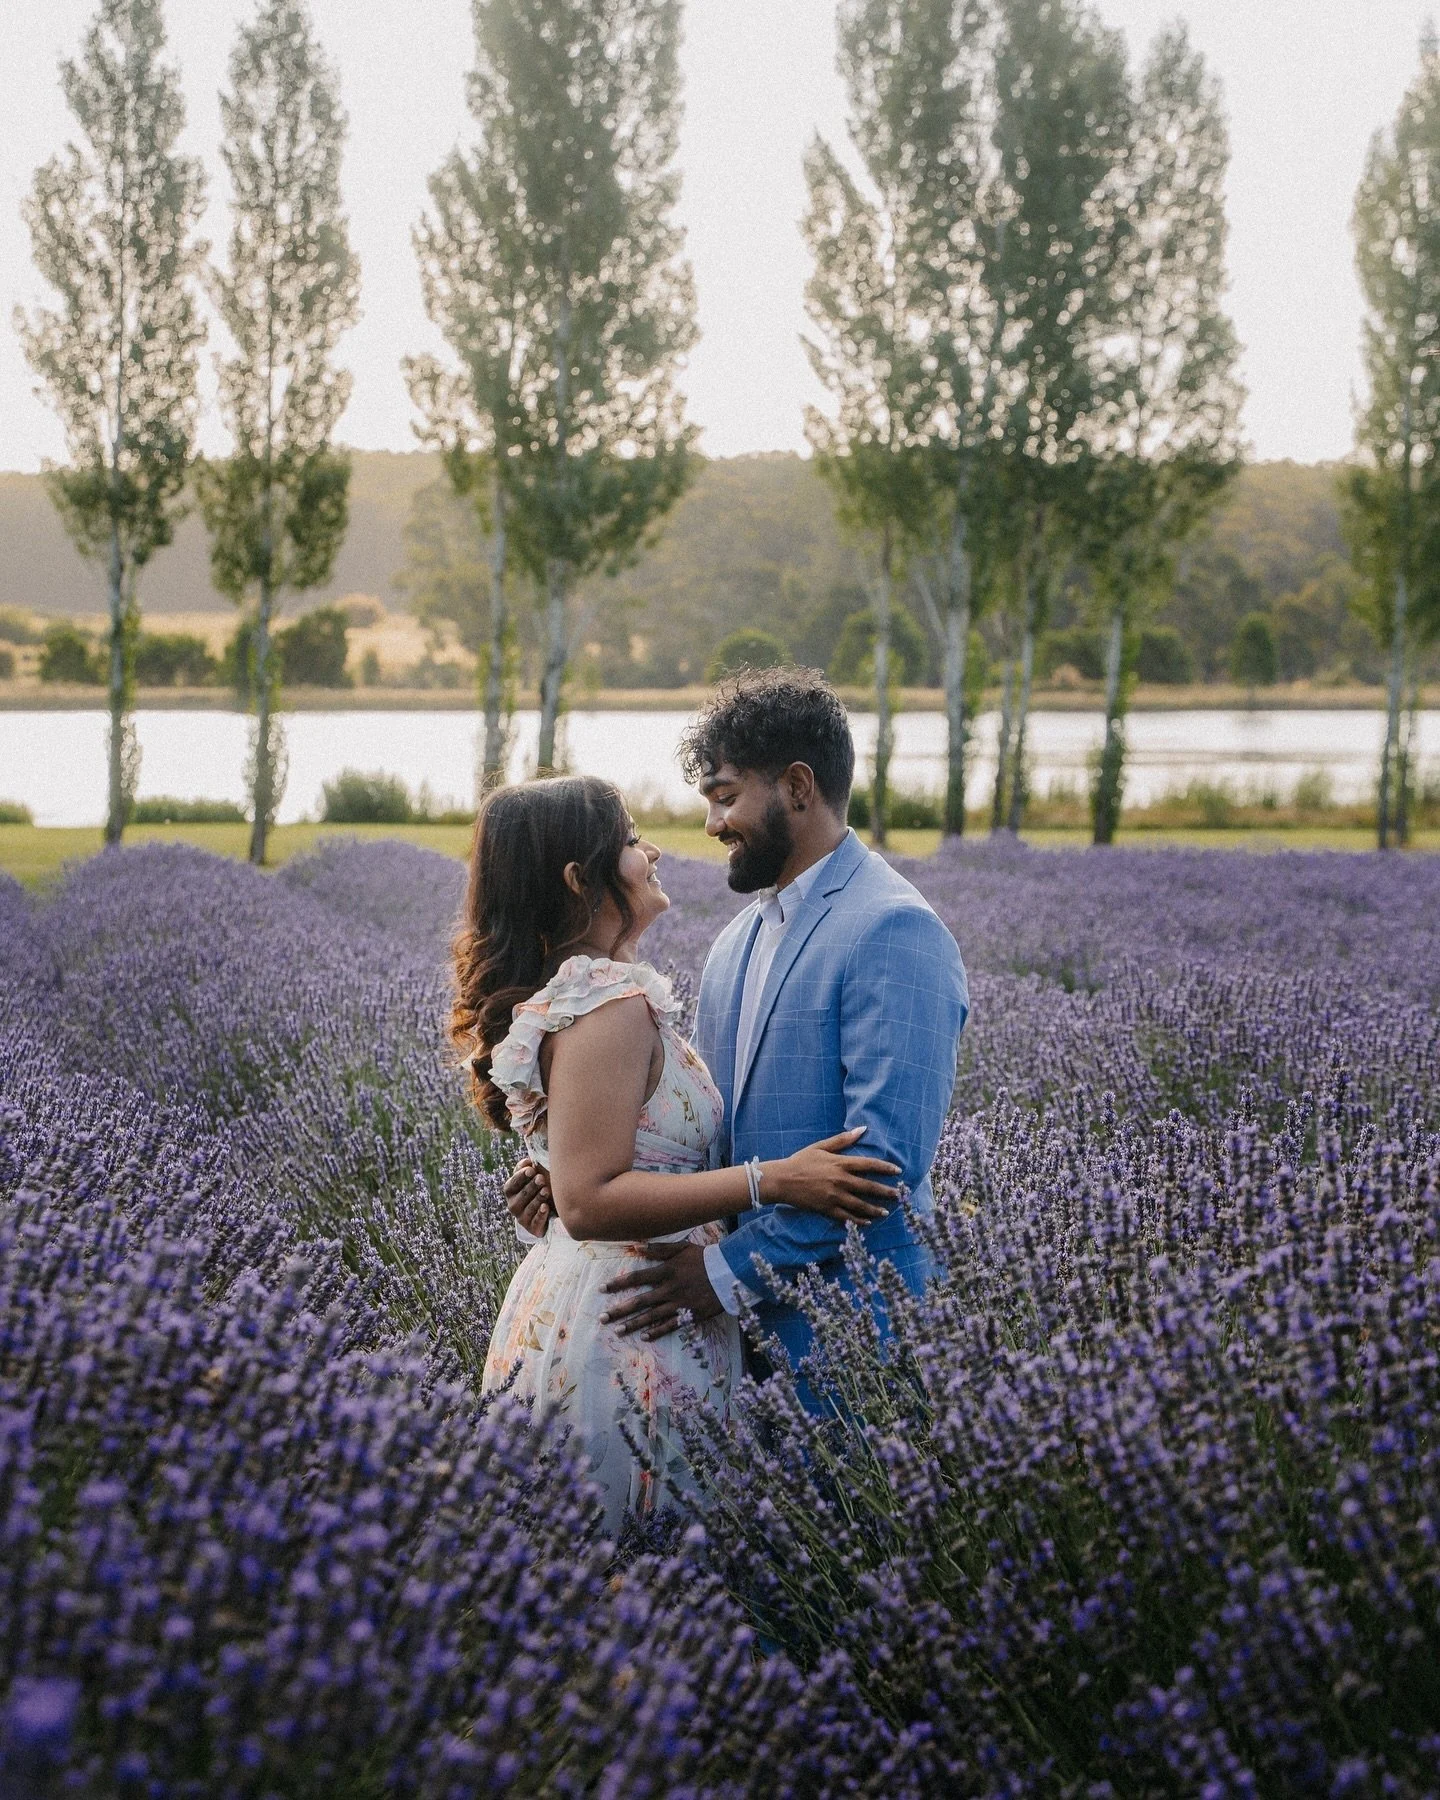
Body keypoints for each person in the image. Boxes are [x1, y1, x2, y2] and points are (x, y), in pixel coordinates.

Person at [506, 669, 970, 1412]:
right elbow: (710, 1145)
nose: (713, 824)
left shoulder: (894, 929)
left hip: (855, 1338)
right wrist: (571, 1185)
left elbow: (879, 1166)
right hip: (721, 1350)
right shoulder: (735, 943)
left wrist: (721, 1275)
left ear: (796, 787)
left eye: (726, 797)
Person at [454, 773, 904, 1531]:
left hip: (628, 1305)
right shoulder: (606, 1007)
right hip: (633, 1327)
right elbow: (593, 1200)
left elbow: (584, 1183)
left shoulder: (589, 998)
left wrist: (556, 1193)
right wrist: (776, 1182)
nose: (654, 848)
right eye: (630, 839)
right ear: (578, 878)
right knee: (639, 1571)